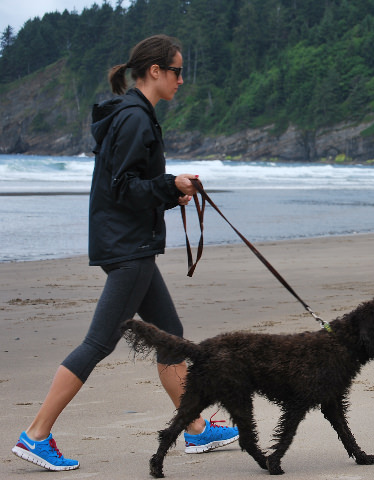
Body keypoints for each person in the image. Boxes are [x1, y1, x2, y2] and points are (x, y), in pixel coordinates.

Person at [11, 34, 238, 471]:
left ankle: (193, 430)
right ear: (155, 71)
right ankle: (36, 434)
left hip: (127, 241)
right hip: (128, 247)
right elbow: (124, 188)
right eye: (177, 71)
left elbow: (128, 185)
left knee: (169, 332)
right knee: (99, 342)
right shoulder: (134, 118)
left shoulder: (132, 114)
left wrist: (170, 190)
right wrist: (168, 186)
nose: (182, 80)